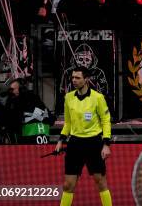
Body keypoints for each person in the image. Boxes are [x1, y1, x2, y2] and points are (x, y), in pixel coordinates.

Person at [54, 67, 112, 206]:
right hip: (75, 144)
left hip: (94, 143)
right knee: (68, 185)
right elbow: (68, 122)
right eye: (73, 77)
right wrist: (61, 140)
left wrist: (106, 144)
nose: (74, 80)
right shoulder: (68, 97)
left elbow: (105, 120)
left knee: (100, 182)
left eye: (78, 78)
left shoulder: (98, 97)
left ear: (86, 79)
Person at [5, 78, 53, 144]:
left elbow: (11, 122)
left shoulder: (18, 102)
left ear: (21, 89)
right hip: (41, 139)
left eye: (12, 89)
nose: (11, 92)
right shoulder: (34, 98)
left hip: (30, 139)